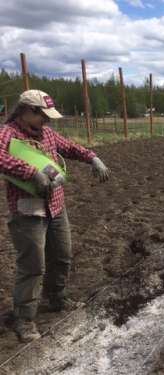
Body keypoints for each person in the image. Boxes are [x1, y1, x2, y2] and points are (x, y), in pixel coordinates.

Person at [0, 89, 110, 343]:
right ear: (28, 111)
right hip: (28, 211)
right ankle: (24, 318)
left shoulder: (47, 133)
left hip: (56, 206)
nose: (47, 121)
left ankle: (56, 298)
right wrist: (30, 172)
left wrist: (93, 158)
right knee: (32, 266)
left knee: (61, 256)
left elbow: (69, 147)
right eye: (43, 116)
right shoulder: (7, 133)